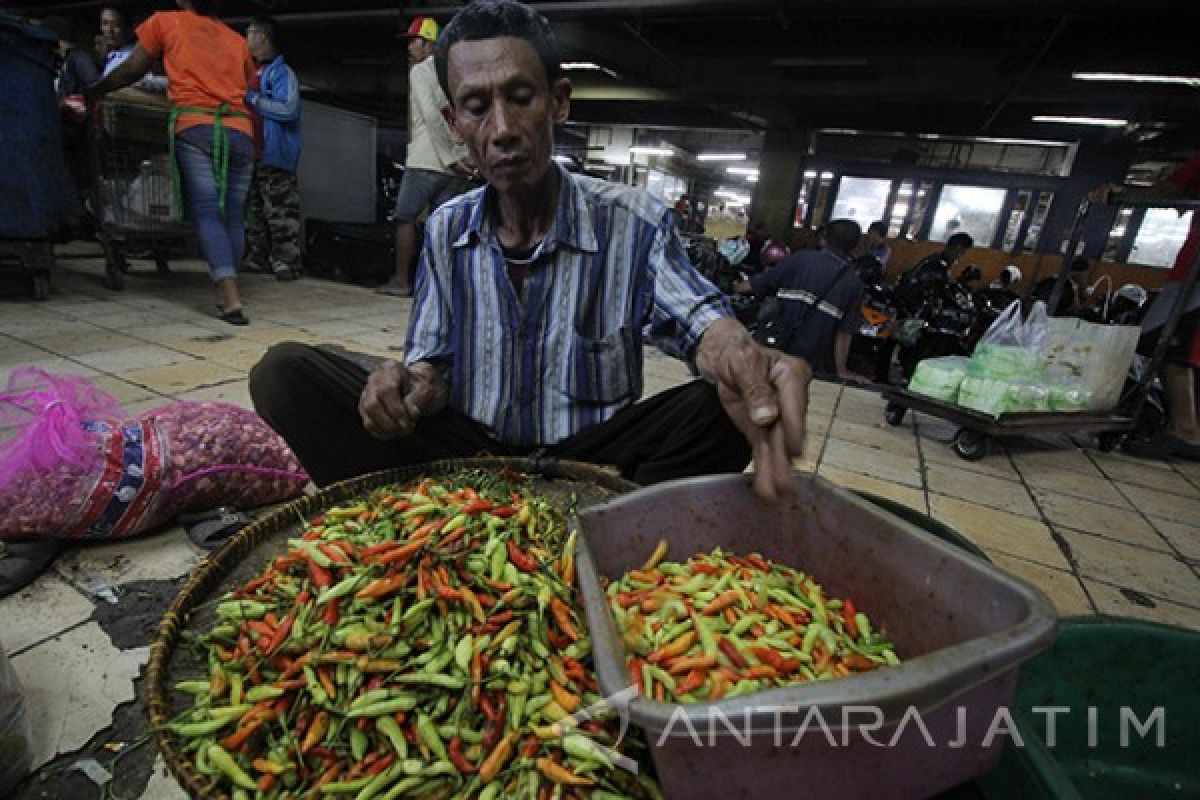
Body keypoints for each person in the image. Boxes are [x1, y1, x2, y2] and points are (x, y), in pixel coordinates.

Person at [249, 0, 811, 500]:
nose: (502, 128)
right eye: (476, 106)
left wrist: (741, 355)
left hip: (595, 460)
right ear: (454, 123)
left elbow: (702, 323)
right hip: (473, 454)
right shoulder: (446, 229)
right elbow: (433, 367)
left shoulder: (632, 220)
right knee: (285, 375)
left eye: (521, 98)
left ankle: (606, 517)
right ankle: (431, 515)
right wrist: (406, 389)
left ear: (558, 101)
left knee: (723, 403)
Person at [91, 0, 257, 325]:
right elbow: (246, 85)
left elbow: (133, 68)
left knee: (208, 212)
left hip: (197, 126)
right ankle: (229, 285)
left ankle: (231, 298)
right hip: (239, 130)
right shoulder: (237, 40)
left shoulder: (166, 22)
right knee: (234, 216)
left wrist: (97, 89)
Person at [1094, 157, 1200, 459]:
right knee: (1176, 346)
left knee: (1167, 345)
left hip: (1194, 277)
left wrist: (1121, 194)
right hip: (1189, 274)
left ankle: (1185, 431)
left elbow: (1170, 189)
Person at [376, 15, 475, 297]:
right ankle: (437, 288)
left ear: (429, 45)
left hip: (426, 161)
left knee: (405, 218)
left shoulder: (421, 71)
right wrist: (464, 156)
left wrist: (450, 156)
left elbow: (432, 117)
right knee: (442, 227)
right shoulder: (458, 74)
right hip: (456, 168)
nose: (410, 49)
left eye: (414, 42)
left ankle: (401, 281)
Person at [734, 219, 870, 384]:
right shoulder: (853, 283)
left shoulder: (800, 259)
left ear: (824, 237)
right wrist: (841, 370)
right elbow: (845, 332)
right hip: (812, 367)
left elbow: (760, 283)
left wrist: (732, 288)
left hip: (776, 351)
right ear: (854, 246)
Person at [242, 16, 302, 282]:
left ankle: (286, 261)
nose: (246, 40)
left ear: (263, 37)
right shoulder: (249, 69)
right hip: (251, 153)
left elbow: (289, 109)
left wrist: (253, 99)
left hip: (275, 155)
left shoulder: (282, 72)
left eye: (250, 34)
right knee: (254, 211)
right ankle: (258, 257)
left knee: (280, 211)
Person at [893, 231, 974, 313]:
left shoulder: (942, 262)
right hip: (907, 306)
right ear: (949, 247)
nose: (958, 256)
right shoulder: (936, 264)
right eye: (958, 251)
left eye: (962, 253)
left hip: (913, 304)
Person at [99, 6, 167, 91]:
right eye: (105, 23)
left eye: (117, 25)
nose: (109, 30)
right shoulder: (112, 54)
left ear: (128, 29)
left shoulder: (134, 57)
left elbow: (150, 82)